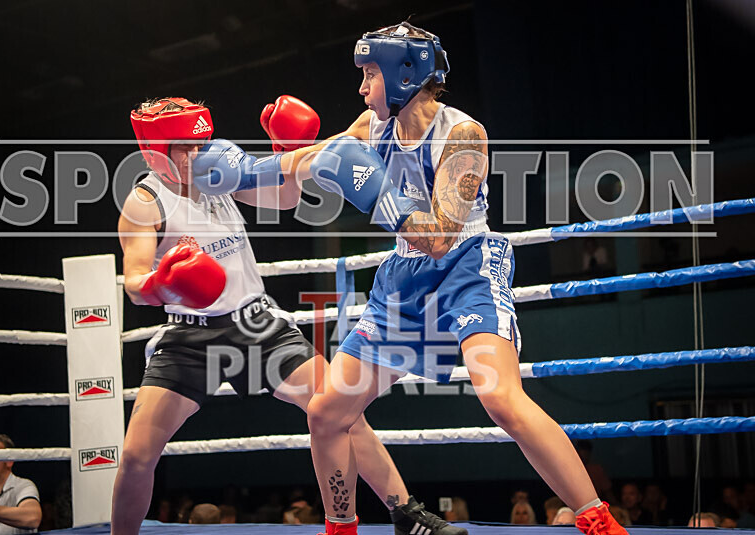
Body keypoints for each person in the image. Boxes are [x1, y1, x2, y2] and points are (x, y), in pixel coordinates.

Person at [198, 21, 631, 535]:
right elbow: (305, 164)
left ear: (407, 74)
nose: (361, 88)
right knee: (326, 412)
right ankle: (341, 526)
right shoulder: (368, 127)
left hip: (466, 264)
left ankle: (596, 519)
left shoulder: (464, 134)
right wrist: (242, 169)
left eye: (370, 74)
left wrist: (374, 191)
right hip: (403, 279)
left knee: (499, 396)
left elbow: (443, 235)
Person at [112, 97, 460, 535]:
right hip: (190, 337)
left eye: (200, 143)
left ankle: (405, 513)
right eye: (183, 147)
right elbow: (135, 282)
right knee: (137, 455)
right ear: (153, 152)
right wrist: (163, 282)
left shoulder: (214, 170)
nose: (196, 155)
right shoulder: (144, 204)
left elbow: (282, 197)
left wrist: (283, 151)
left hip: (257, 325)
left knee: (342, 411)